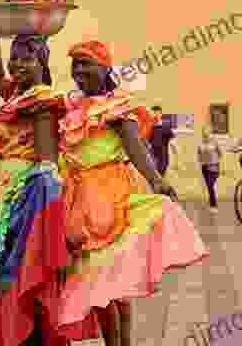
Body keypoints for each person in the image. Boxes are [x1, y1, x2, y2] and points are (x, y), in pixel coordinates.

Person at [53, 41, 208, 346]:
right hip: (78, 201)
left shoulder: (117, 106)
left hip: (111, 198)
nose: (80, 71)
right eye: (76, 65)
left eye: (87, 64)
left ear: (106, 68)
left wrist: (156, 180)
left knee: (108, 287)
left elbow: (135, 146)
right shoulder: (73, 109)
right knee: (104, 288)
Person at [0, 34, 98, 346]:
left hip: (27, 197)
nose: (18, 64)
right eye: (15, 57)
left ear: (42, 63)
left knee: (23, 272)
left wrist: (39, 215)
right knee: (5, 274)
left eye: (27, 58)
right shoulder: (9, 93)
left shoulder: (42, 100)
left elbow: (47, 162)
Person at [197, 126, 222, 213]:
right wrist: (201, 162)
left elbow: (220, 153)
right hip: (204, 167)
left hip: (214, 167)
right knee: (209, 186)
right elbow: (199, 154)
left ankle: (214, 205)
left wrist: (216, 162)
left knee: (210, 185)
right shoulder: (201, 143)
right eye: (204, 133)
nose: (206, 134)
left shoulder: (214, 142)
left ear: (210, 133)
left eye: (207, 132)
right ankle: (212, 203)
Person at [149, 105, 175, 177]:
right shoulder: (150, 127)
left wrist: (177, 158)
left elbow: (172, 142)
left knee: (160, 178)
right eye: (153, 114)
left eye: (156, 113)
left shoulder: (165, 126)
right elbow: (147, 143)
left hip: (162, 159)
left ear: (160, 114)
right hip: (152, 158)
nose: (154, 115)